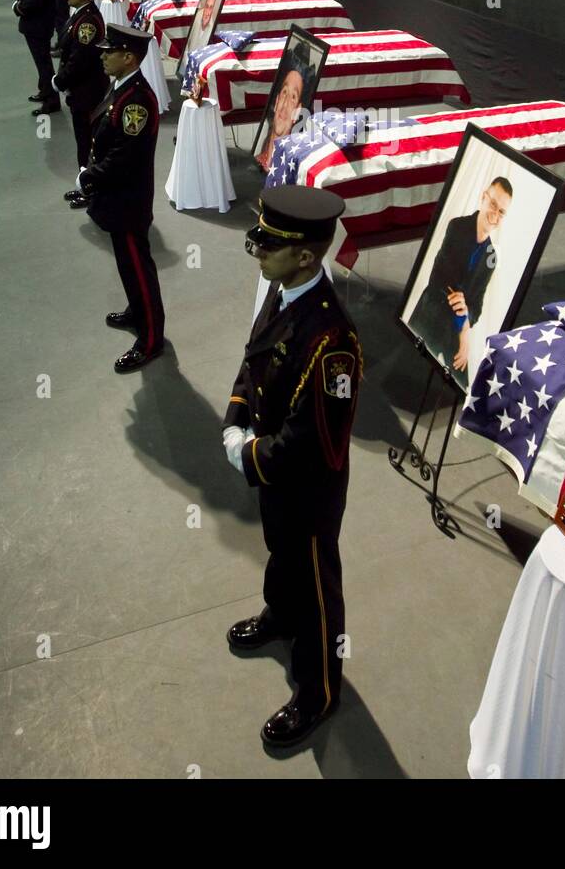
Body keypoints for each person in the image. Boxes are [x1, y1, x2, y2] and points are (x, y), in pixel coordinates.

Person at [223, 186, 362, 749]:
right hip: (276, 474)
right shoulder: (283, 291)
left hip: (307, 487)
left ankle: (320, 687)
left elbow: (313, 444)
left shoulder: (332, 340)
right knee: (280, 553)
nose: (257, 250)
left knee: (315, 580)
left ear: (306, 255)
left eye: (269, 245)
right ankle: (279, 615)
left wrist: (246, 454)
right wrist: (237, 413)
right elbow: (254, 360)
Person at [76, 24, 165, 374]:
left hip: (128, 201)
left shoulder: (137, 102)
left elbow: (125, 157)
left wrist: (89, 177)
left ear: (128, 57)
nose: (102, 55)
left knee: (138, 268)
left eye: (109, 51)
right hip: (117, 198)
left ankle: (151, 337)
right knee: (127, 265)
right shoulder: (123, 89)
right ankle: (136, 309)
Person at [408, 176, 513, 376]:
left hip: (455, 327)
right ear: (483, 198)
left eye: (501, 212)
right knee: (411, 372)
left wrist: (466, 324)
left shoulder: (491, 256)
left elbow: (477, 307)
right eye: (493, 204)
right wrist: (464, 331)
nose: (495, 215)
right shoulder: (456, 227)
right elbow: (440, 280)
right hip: (432, 311)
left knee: (463, 383)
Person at [51, 0, 109, 201]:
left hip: (87, 90)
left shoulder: (87, 23)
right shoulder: (81, 15)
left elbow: (80, 60)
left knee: (87, 141)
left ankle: (90, 187)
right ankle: (86, 181)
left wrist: (60, 81)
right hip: (81, 89)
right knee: (83, 139)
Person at [12, 0, 60, 115]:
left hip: (38, 25)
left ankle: (51, 101)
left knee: (44, 64)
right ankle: (44, 90)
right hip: (37, 25)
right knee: (41, 62)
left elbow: (32, 1)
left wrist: (17, 7)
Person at [255, 47, 315, 171]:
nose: (286, 103)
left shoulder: (289, 174)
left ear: (298, 111)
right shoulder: (256, 161)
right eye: (284, 92)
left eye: (293, 97)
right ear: (277, 101)